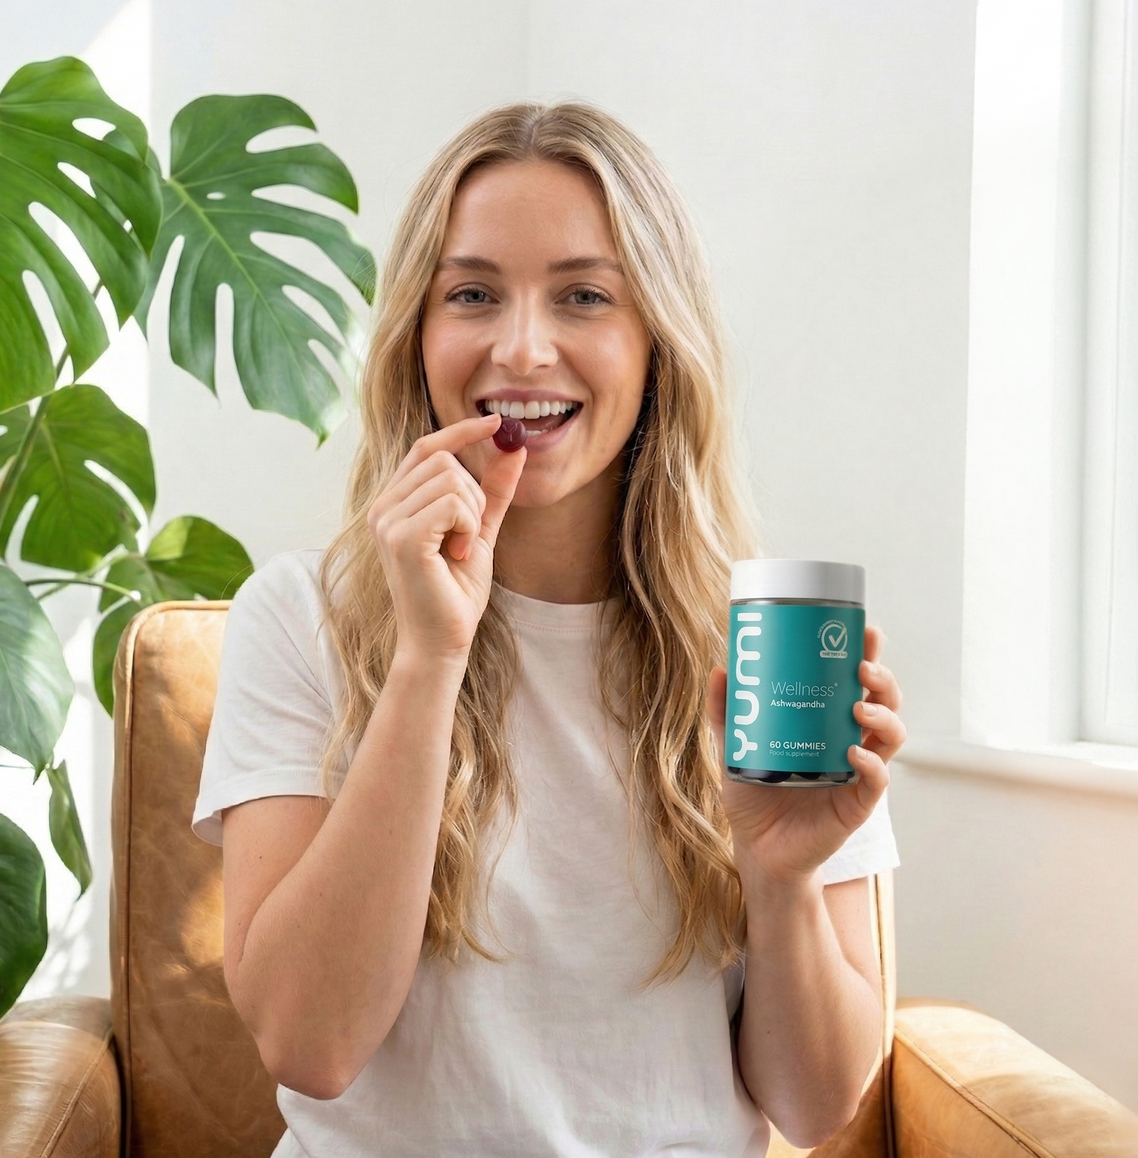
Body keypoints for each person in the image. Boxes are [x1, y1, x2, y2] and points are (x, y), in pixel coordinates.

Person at [192, 100, 906, 1158]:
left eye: (584, 296)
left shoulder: (769, 651)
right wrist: (429, 661)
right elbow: (310, 1044)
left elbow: (815, 1105)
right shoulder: (301, 615)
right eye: (472, 294)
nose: (522, 349)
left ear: (658, 341)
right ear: (417, 336)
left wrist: (784, 876)